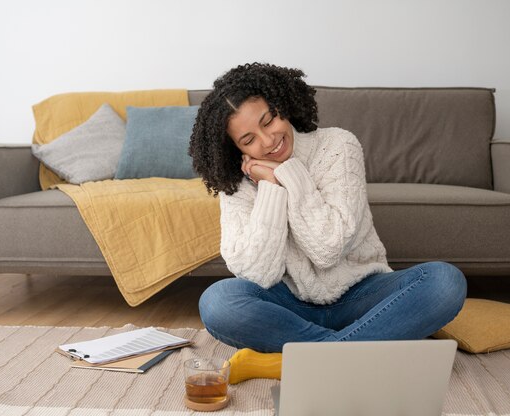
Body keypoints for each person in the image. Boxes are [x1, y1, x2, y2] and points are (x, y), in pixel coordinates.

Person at [188, 62, 467, 384]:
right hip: (288, 305)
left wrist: (286, 174)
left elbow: (327, 248)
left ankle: (291, 361)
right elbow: (257, 274)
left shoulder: (337, 145)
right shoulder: (237, 182)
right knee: (219, 301)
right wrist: (269, 188)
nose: (268, 141)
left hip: (361, 295)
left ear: (283, 105)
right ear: (235, 149)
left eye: (270, 120)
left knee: (445, 281)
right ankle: (365, 350)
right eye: (249, 140)